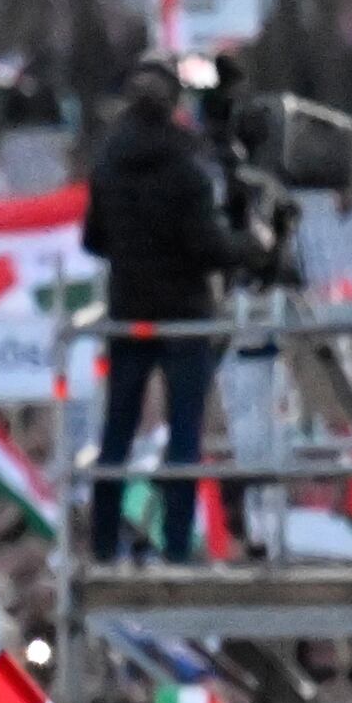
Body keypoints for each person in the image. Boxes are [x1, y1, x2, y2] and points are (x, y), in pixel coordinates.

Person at [82, 57, 246, 565]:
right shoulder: (186, 170)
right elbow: (209, 248)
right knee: (184, 435)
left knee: (117, 436)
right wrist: (249, 245)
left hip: (130, 313)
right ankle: (177, 546)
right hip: (184, 315)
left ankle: (104, 545)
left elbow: (93, 238)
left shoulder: (108, 165)